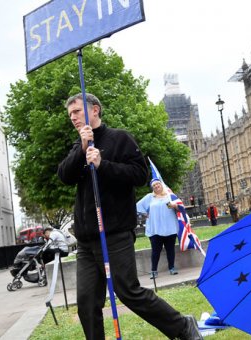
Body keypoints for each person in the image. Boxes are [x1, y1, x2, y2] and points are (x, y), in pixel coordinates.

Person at [57, 93, 202, 340]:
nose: (73, 117)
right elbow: (65, 175)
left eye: (77, 111)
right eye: (70, 114)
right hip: (86, 238)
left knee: (128, 291)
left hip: (114, 232)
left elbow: (139, 175)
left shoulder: (120, 139)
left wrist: (103, 164)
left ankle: (182, 327)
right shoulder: (79, 146)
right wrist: (82, 149)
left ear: (95, 110)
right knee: (86, 303)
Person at [136, 179, 180, 279]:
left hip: (170, 228)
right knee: (156, 250)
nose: (156, 186)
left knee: (170, 249)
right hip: (155, 229)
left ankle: (172, 268)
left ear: (161, 185)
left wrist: (175, 205)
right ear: (152, 188)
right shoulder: (149, 197)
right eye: (154, 185)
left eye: (158, 184)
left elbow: (180, 208)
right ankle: (154, 270)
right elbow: (137, 206)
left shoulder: (170, 195)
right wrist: (144, 214)